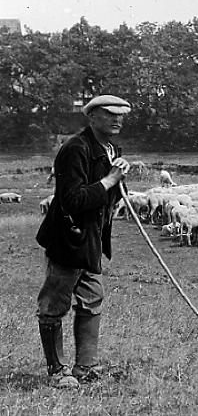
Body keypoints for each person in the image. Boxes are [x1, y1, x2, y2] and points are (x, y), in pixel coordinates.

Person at [35, 95, 132, 389]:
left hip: (91, 241)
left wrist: (119, 179)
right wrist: (110, 180)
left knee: (92, 298)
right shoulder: (74, 149)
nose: (117, 120)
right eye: (108, 114)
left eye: (120, 115)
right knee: (54, 303)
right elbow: (73, 199)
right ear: (91, 117)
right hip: (69, 238)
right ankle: (57, 371)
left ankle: (85, 368)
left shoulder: (111, 148)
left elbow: (108, 198)